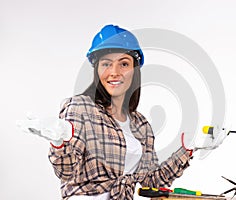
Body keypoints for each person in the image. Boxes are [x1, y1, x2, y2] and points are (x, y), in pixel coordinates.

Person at [19, 24, 194, 200]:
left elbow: (152, 181)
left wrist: (187, 150)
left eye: (124, 64)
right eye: (106, 64)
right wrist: (60, 143)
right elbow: (66, 171)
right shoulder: (80, 109)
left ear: (135, 69)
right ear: (97, 69)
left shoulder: (141, 125)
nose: (114, 72)